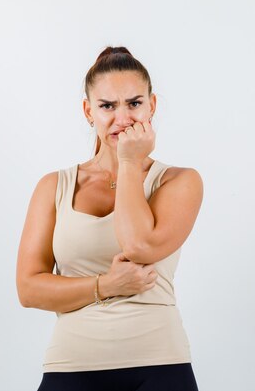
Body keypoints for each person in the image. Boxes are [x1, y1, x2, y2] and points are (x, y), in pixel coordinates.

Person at [16, 46, 204, 391]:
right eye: (107, 106)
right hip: (71, 366)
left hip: (160, 365)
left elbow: (140, 245)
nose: (123, 118)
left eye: (134, 103)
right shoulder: (54, 187)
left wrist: (130, 162)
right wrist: (106, 285)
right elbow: (29, 289)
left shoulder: (179, 181)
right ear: (88, 111)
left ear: (152, 106)